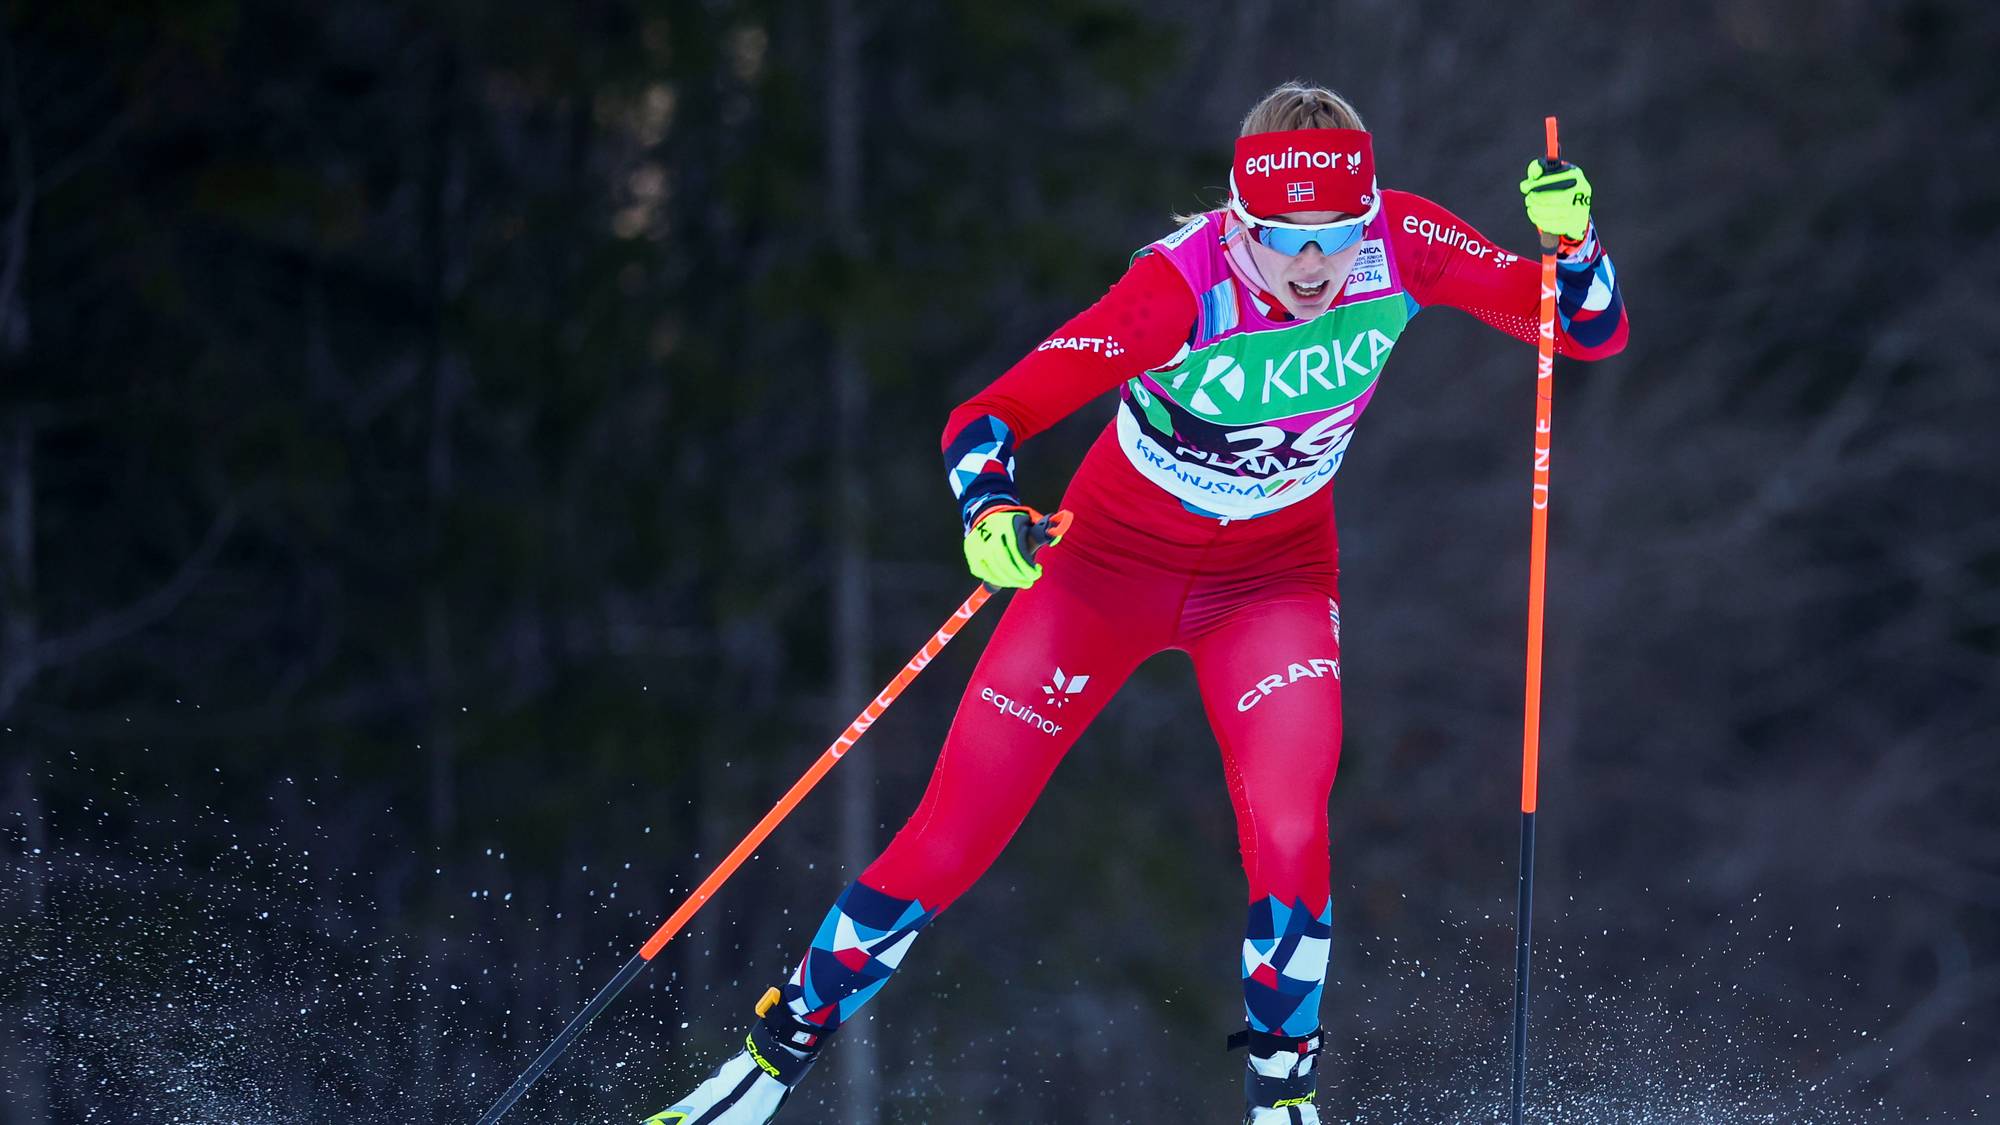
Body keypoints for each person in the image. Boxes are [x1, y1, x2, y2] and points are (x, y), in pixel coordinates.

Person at [645, 80, 1627, 1125]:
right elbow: (985, 417)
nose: (1309, 270)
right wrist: (987, 512)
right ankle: (760, 1069)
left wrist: (1575, 246)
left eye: (1333, 237)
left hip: (1272, 581)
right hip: (1100, 574)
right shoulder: (1175, 293)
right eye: (1278, 239)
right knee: (952, 834)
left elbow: (1581, 333)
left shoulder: (1405, 241)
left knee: (1290, 828)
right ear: (1236, 220)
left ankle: (1284, 1103)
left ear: (1366, 213)